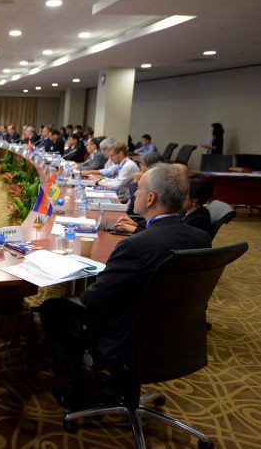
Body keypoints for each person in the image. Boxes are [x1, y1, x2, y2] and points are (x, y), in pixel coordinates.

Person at [39, 164, 211, 409]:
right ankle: (119, 383)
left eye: (138, 189)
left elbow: (92, 301)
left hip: (128, 337)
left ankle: (79, 393)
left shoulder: (136, 246)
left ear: (150, 198)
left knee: (52, 309)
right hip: (177, 334)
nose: (134, 193)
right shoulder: (201, 238)